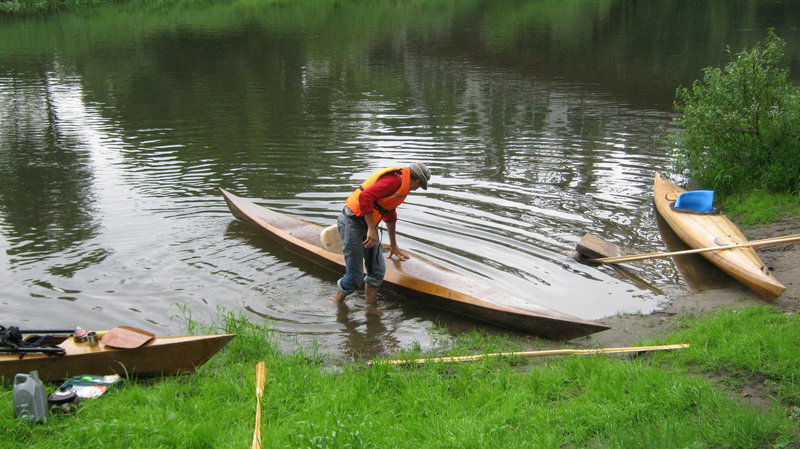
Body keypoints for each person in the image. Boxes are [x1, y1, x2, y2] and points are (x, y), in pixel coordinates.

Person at [332, 162, 432, 304]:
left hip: (366, 225)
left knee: (377, 271)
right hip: (352, 222)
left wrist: (394, 245)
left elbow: (390, 215)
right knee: (355, 277)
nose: (417, 189)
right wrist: (372, 229)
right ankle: (335, 304)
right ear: (417, 180)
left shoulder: (400, 186)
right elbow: (365, 197)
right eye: (420, 185)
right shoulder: (394, 180)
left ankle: (370, 308)